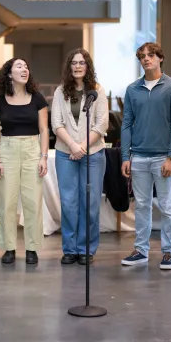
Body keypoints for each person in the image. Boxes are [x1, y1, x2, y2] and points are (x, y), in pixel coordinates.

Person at [120, 42, 171, 270]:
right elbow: (126, 124)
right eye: (142, 56)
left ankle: (169, 252)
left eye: (150, 55)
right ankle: (141, 250)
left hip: (162, 157)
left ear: (160, 58)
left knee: (168, 207)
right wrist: (125, 156)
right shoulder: (132, 89)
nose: (146, 59)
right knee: (142, 206)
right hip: (138, 156)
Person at [51, 49, 108, 265]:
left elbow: (101, 124)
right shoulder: (60, 92)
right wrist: (73, 146)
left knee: (91, 203)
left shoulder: (97, 91)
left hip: (93, 153)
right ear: (69, 67)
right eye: (74, 62)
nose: (77, 66)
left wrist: (82, 147)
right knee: (68, 202)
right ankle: (70, 248)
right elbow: (56, 123)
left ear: (88, 66)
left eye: (82, 63)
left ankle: (86, 249)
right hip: (66, 153)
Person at [0, 58, 49, 264]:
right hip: (7, 149)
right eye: (19, 66)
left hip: (33, 148)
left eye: (26, 66)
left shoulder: (37, 98)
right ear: (9, 73)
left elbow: (44, 129)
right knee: (7, 201)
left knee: (33, 201)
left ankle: (32, 248)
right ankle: (9, 247)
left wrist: (44, 156)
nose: (24, 69)